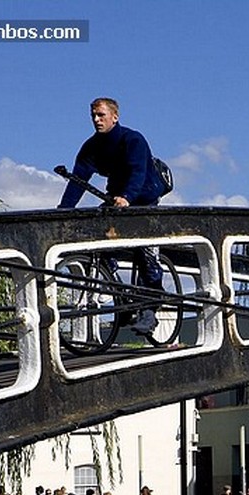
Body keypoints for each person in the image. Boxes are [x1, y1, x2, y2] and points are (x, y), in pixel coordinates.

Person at [57, 97, 168, 335]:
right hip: (117, 199)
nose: (97, 120)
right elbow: (78, 181)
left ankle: (150, 309)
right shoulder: (91, 148)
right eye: (94, 116)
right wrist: (63, 212)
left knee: (146, 251)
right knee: (99, 244)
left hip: (143, 198)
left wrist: (127, 196)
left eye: (101, 115)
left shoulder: (133, 140)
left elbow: (138, 172)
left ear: (114, 117)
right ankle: (121, 297)